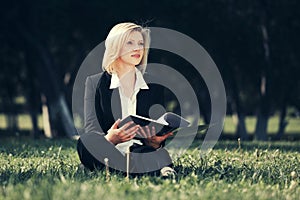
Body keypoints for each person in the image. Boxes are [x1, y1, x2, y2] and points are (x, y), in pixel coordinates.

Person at [77, 22, 176, 176]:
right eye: (130, 43)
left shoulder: (154, 85)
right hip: (108, 149)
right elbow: (92, 128)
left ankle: (135, 170)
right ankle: (147, 171)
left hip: (140, 150)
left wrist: (156, 142)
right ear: (115, 46)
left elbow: (156, 126)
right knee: (86, 141)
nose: (138, 48)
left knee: (154, 153)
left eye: (141, 43)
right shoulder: (95, 83)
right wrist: (111, 139)